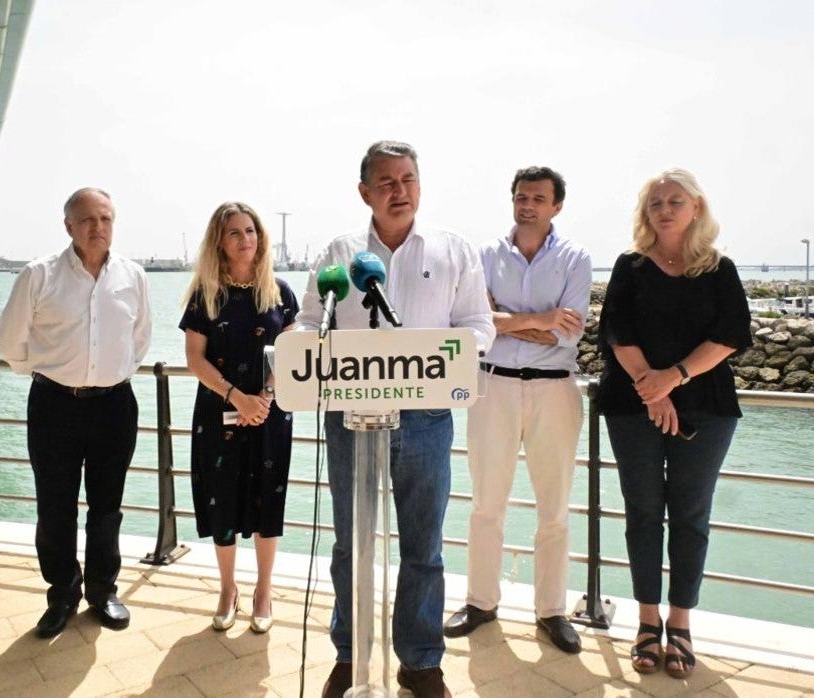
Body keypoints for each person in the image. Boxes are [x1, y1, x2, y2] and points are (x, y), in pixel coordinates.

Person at [296, 140, 494, 698]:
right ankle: (348, 655)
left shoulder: (453, 250)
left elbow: (479, 324)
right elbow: (312, 322)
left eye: (408, 179)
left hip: (427, 417)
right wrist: (295, 349)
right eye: (386, 182)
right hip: (348, 418)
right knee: (347, 545)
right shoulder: (339, 253)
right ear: (364, 192)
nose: (399, 190)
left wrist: (454, 352)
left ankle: (420, 661)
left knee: (423, 545)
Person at [596, 168, 751, 678]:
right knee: (642, 512)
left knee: (690, 515)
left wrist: (673, 379)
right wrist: (651, 386)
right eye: (656, 202)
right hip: (631, 404)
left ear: (696, 208)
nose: (664, 209)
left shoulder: (719, 269)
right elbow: (615, 330)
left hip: (705, 406)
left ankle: (680, 624)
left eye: (675, 201)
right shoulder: (630, 266)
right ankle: (646, 621)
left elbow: (731, 335)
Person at [442, 166, 591, 654]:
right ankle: (481, 602)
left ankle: (551, 611)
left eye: (538, 198)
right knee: (486, 503)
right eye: (521, 196)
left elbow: (565, 332)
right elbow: (475, 322)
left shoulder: (575, 258)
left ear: (556, 206)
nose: (527, 204)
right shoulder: (483, 255)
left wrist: (509, 322)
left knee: (555, 508)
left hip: (554, 390)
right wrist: (535, 319)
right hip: (493, 387)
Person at [0, 187, 152, 638]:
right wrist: (51, 376)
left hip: (114, 406)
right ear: (68, 226)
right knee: (55, 507)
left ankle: (103, 589)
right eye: (87, 220)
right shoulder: (39, 274)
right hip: (53, 406)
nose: (97, 227)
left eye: (105, 218)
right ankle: (62, 592)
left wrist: (108, 374)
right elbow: (11, 343)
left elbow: (140, 339)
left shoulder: (133, 275)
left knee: (107, 507)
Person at [179, 201, 299, 634]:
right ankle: (227, 588)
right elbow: (194, 359)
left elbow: (291, 355)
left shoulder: (280, 293)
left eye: (250, 231)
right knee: (222, 498)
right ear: (219, 242)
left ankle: (263, 591)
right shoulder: (205, 295)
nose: (245, 239)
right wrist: (236, 398)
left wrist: (261, 400)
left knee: (269, 499)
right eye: (234, 232)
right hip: (218, 410)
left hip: (270, 412)